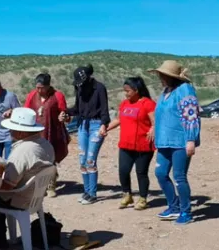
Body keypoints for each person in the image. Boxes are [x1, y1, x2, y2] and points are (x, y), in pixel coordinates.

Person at [0, 108, 55, 249]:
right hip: (35, 196)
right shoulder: (45, 144)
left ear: (21, 132)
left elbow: (8, 185)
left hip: (20, 198)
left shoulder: (22, 151)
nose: (10, 132)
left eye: (12, 129)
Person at [149, 60, 201, 225]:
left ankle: (186, 211)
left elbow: (191, 115)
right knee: (160, 173)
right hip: (164, 142)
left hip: (181, 141)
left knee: (179, 176)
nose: (161, 78)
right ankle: (174, 206)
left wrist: (191, 139)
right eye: (160, 75)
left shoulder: (185, 90)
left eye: (163, 75)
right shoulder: (165, 92)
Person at [105, 77, 157, 210]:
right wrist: (106, 128)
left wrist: (153, 129)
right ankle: (127, 195)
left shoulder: (148, 103)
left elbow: (155, 120)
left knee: (141, 172)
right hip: (126, 144)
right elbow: (118, 120)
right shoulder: (124, 104)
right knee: (123, 171)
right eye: (124, 91)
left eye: (128, 91)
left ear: (136, 90)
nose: (126, 93)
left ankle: (143, 198)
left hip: (143, 145)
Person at [64, 64, 110, 205]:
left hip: (96, 125)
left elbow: (104, 109)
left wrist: (104, 124)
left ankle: (93, 193)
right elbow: (77, 108)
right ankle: (86, 191)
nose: (80, 86)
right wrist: (66, 111)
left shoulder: (99, 88)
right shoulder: (79, 88)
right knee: (82, 160)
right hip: (83, 125)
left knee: (90, 160)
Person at [24, 73, 70, 197]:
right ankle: (40, 185)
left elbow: (65, 114)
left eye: (41, 88)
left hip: (53, 133)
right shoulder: (32, 96)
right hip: (36, 133)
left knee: (51, 159)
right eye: (37, 87)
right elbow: (26, 111)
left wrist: (63, 116)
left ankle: (51, 185)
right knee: (37, 160)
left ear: (48, 86)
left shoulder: (58, 96)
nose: (39, 90)